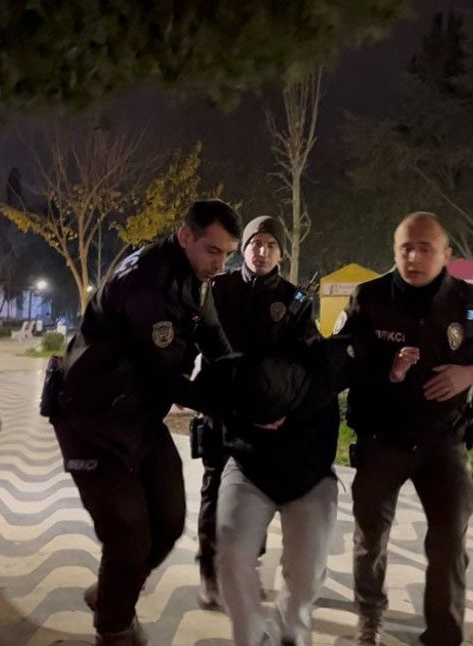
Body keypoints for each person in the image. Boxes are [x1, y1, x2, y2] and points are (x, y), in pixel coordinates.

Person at [339, 212, 473, 646]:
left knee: (450, 541)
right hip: (383, 439)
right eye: (405, 248)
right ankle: (370, 614)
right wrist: (387, 370)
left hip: (443, 442)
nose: (414, 258)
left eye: (425, 248)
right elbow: (341, 358)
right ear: (394, 250)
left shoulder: (472, 304)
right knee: (370, 536)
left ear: (446, 253)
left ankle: (443, 634)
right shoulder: (369, 298)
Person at [43, 199, 241, 646]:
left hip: (138, 415)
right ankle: (114, 628)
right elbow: (162, 375)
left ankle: (113, 588)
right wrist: (231, 409)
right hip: (89, 419)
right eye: (213, 250)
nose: (220, 263)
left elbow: (216, 342)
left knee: (168, 522)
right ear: (185, 236)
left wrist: (250, 386)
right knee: (129, 532)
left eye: (228, 253)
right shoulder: (148, 283)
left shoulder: (197, 279)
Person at [194, 216, 342, 645]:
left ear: (280, 252)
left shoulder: (294, 298)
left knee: (250, 497)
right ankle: (211, 571)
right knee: (215, 492)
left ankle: (249, 567)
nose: (262, 252)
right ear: (244, 248)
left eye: (271, 245)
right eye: (255, 243)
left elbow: (306, 354)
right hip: (224, 407)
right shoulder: (218, 289)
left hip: (265, 411)